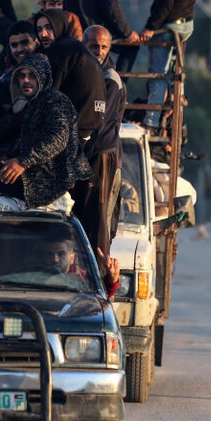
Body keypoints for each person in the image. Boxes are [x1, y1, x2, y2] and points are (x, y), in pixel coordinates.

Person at [0, 53, 91, 209]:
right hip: (29, 172)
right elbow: (0, 130)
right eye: (22, 76)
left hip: (43, 182)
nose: (26, 81)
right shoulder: (29, 104)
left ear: (42, 76)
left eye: (32, 76)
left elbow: (57, 139)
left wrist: (22, 161)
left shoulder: (55, 101)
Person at [141, 0, 196, 130]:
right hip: (186, 25)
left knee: (157, 73)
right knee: (173, 71)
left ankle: (150, 121)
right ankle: (176, 98)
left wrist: (150, 27)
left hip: (170, 27)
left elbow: (164, 3)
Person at [81, 25, 126, 259]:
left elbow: (98, 122)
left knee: (98, 218)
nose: (99, 51)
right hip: (89, 154)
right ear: (84, 45)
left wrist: (77, 154)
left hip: (102, 154)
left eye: (103, 47)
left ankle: (100, 270)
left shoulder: (110, 80)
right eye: (93, 46)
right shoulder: (87, 74)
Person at [35, 9, 106, 142]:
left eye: (49, 28)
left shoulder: (61, 49)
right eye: (39, 29)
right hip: (91, 126)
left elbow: (51, 91)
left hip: (74, 127)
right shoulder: (75, 46)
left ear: (59, 26)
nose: (43, 34)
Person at [41, 225, 120, 296]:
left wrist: (112, 279)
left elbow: (99, 297)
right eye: (50, 254)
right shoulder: (36, 276)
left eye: (61, 254)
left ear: (72, 258)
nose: (55, 259)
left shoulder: (83, 278)